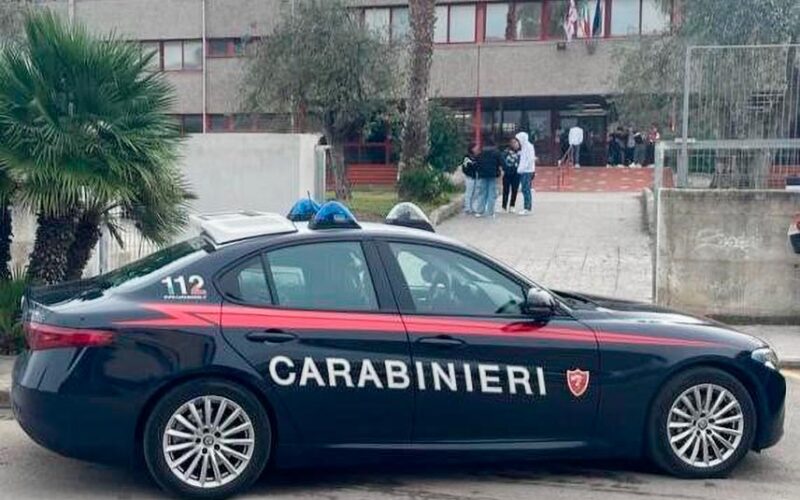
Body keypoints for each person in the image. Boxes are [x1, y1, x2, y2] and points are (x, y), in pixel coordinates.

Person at [473, 140, 503, 218]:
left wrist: (478, 171)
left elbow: (476, 164)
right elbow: (502, 163)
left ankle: (479, 211)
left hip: (482, 175)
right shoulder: (497, 153)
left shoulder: (480, 154)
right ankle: (490, 212)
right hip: (493, 175)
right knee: (491, 193)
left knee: (482, 193)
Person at [515, 131, 536, 216]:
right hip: (523, 170)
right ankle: (526, 207)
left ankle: (527, 207)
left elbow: (530, 159)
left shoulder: (529, 147)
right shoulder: (524, 147)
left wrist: (523, 168)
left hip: (527, 171)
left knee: (526, 189)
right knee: (524, 189)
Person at [501, 137, 521, 213]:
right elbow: (502, 161)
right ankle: (504, 206)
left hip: (517, 173)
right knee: (506, 190)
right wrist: (505, 169)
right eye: (513, 143)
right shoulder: (506, 152)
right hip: (507, 173)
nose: (515, 144)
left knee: (514, 190)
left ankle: (512, 205)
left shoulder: (520, 152)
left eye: (516, 142)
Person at [460, 142, 479, 213]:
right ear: (472, 148)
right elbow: (465, 167)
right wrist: (468, 173)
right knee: (469, 192)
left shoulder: (476, 157)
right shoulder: (467, 157)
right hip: (469, 177)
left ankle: (472, 206)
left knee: (475, 193)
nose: (477, 149)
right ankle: (467, 207)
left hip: (476, 176)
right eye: (475, 147)